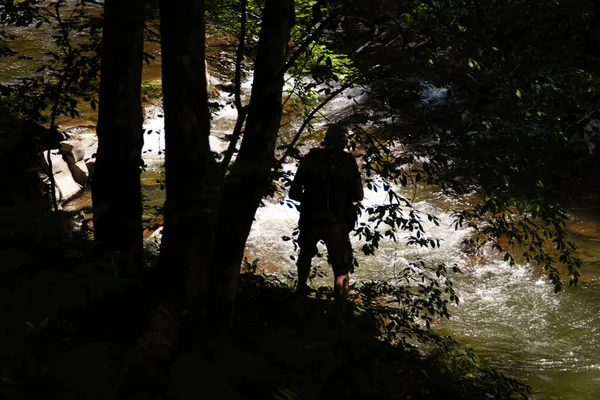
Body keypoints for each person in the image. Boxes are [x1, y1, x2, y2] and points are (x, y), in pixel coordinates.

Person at [289, 124, 364, 309]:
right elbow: (358, 196)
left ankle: (300, 291)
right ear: (344, 142)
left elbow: (294, 193)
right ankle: (339, 307)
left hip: (310, 219)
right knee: (341, 268)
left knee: (305, 254)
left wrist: (311, 199)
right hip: (335, 222)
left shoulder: (310, 159)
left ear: (326, 141)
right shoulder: (347, 162)